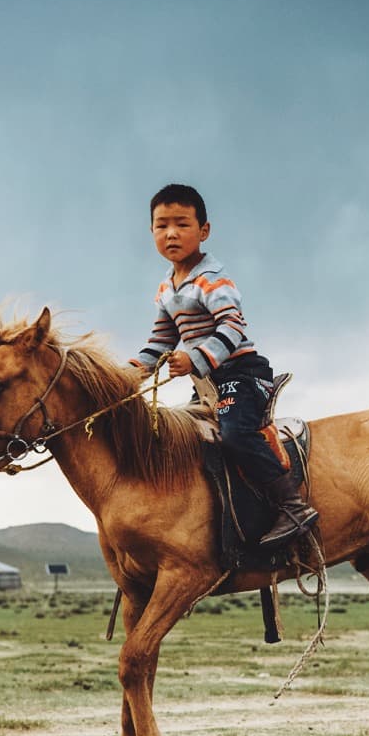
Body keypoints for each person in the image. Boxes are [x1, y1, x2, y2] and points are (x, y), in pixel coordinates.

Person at [131, 183, 318, 546]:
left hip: (240, 374)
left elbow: (232, 326)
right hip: (207, 383)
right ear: (151, 231)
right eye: (161, 225)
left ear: (204, 231)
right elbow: (159, 343)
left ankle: (293, 505)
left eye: (182, 224)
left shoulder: (212, 279)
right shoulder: (166, 290)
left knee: (235, 435)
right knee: (178, 437)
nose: (171, 233)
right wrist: (126, 375)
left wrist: (196, 358)